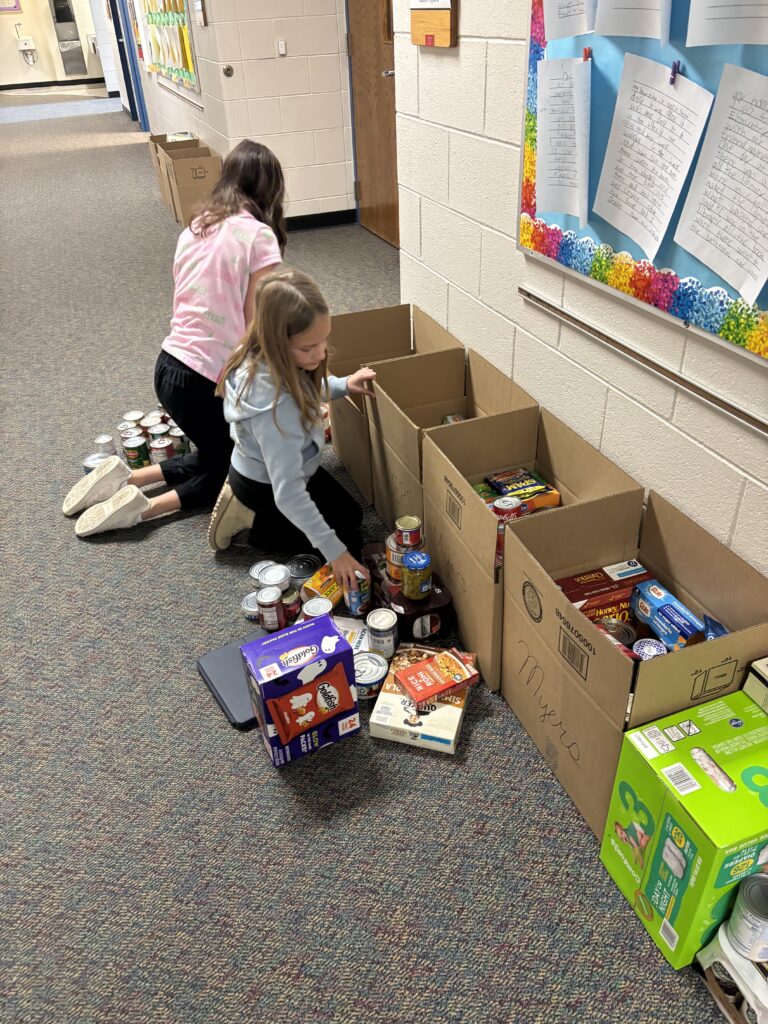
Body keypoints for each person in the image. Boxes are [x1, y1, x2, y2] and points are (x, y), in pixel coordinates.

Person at [62, 140, 286, 536]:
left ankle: (126, 476)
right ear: (270, 189)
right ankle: (142, 509)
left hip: (169, 366)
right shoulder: (258, 237)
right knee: (235, 468)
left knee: (213, 450)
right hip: (207, 380)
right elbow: (260, 324)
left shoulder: (196, 227)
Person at [208, 268, 374, 593]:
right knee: (343, 541)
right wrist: (335, 553)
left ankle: (264, 517)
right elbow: (288, 494)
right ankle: (252, 524)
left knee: (351, 516)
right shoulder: (274, 407)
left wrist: (343, 385)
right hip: (265, 485)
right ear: (276, 342)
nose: (321, 353)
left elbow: (303, 390)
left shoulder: (274, 357)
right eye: (308, 348)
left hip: (288, 466)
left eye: (323, 341)